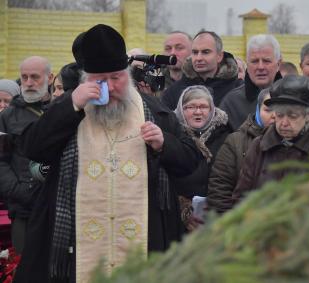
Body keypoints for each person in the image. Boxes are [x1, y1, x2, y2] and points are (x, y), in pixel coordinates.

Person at [13, 24, 200, 283]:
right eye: (99, 80)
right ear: (84, 79)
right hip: (76, 247)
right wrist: (71, 104)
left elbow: (191, 163)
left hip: (144, 241)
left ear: (128, 75)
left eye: (116, 77)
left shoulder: (155, 111)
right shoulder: (67, 107)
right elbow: (32, 149)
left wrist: (164, 144)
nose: (110, 87)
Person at [232, 75, 309, 202]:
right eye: (279, 115)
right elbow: (241, 197)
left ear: (308, 115)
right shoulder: (259, 146)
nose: (284, 123)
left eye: (292, 116)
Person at [0, 56, 53, 255]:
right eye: (24, 77)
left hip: (57, 207)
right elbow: (1, 162)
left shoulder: (61, 111)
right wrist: (21, 192)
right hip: (23, 210)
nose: (29, 83)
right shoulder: (7, 116)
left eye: (34, 77)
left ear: (50, 77)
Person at [207, 88, 275, 213]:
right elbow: (220, 188)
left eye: (280, 110)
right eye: (268, 110)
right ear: (258, 110)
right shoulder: (235, 141)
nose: (274, 116)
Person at [174, 85, 231, 231]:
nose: (198, 112)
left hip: (218, 217)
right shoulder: (172, 135)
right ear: (181, 110)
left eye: (203, 107)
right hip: (178, 220)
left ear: (212, 110)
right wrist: (183, 209)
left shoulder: (226, 135)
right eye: (190, 107)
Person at [162, 30, 241, 110]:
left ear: (219, 56)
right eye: (195, 52)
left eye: (206, 52)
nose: (198, 58)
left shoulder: (239, 89)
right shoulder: (173, 92)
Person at [219, 34, 282, 131]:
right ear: (247, 65)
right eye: (255, 61)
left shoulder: (293, 97)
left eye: (266, 61)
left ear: (278, 64)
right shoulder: (231, 103)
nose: (260, 67)